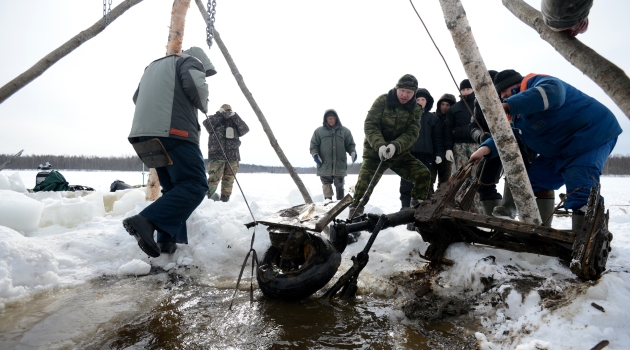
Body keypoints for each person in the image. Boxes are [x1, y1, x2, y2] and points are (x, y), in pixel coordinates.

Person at [470, 69, 622, 230]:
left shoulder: (540, 83)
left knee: (580, 186)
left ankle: (585, 240)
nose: (502, 96)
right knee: (527, 182)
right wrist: (484, 149)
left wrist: (509, 105)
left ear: (515, 84)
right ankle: (537, 230)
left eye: (503, 91)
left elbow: (553, 94)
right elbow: (509, 134)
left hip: (590, 138)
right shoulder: (519, 118)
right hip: (558, 151)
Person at [124, 46, 216, 257]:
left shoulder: (152, 67)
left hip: (144, 135)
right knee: (195, 185)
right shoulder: (189, 60)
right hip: (174, 132)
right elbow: (195, 86)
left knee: (174, 188)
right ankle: (146, 220)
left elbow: (137, 98)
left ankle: (166, 243)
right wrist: (204, 105)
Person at [349, 74, 431, 218]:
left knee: (423, 174)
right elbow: (370, 125)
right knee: (363, 187)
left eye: (409, 92)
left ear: (414, 93)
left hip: (399, 154)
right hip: (375, 154)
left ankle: (417, 213)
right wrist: (380, 145)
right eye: (402, 91)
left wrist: (395, 146)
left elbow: (412, 132)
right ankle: (353, 220)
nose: (405, 95)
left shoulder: (416, 109)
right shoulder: (382, 101)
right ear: (397, 88)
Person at [399, 88, 443, 211]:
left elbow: (437, 138)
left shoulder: (432, 118)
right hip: (409, 154)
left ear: (427, 102)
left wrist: (439, 153)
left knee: (425, 184)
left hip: (426, 156)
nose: (420, 101)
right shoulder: (406, 116)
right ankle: (405, 211)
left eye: (423, 99)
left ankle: (421, 212)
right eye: (417, 99)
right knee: (407, 184)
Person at [445, 79, 483, 213]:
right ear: (460, 91)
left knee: (477, 176)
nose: (466, 91)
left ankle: (478, 208)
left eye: (468, 89)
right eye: (463, 89)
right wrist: (449, 147)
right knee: (462, 176)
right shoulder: (454, 108)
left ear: (473, 89)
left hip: (477, 145)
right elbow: (448, 129)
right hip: (459, 146)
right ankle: (462, 207)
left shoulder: (479, 104)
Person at [203, 103, 250, 202]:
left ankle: (225, 200)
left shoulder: (235, 122)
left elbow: (245, 130)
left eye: (229, 112)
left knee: (229, 180)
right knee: (213, 179)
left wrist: (235, 116)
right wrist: (219, 115)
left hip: (233, 156)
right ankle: (205, 200)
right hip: (217, 156)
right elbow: (207, 125)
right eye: (225, 112)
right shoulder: (214, 120)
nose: (227, 114)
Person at [310, 109, 357, 200]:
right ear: (325, 119)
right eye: (328, 119)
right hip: (324, 164)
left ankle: (340, 205)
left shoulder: (345, 131)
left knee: (339, 185)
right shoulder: (319, 131)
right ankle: (328, 204)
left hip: (339, 165)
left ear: (336, 118)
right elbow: (313, 145)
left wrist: (352, 152)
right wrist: (315, 155)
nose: (330, 120)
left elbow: (350, 144)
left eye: (332, 118)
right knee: (326, 184)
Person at [431, 93, 457, 191]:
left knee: (444, 182)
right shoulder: (432, 117)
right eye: (442, 104)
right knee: (430, 179)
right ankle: (427, 203)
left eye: (447, 105)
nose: (444, 107)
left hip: (447, 153)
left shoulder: (454, 120)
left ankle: (441, 203)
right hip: (433, 153)